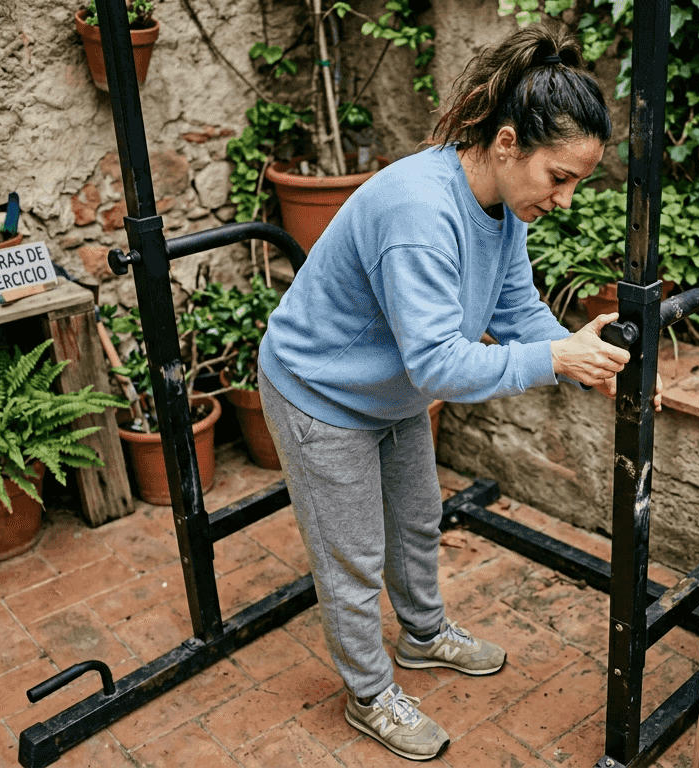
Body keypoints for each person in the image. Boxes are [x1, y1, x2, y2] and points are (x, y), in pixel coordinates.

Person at [257, 21, 663, 762]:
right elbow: (441, 367)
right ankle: (369, 693)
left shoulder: (503, 207)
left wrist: (588, 356)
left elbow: (515, 313)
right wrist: (556, 361)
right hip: (318, 391)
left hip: (388, 393)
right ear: (507, 142)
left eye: (578, 181)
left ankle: (421, 638)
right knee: (351, 556)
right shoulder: (420, 211)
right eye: (560, 177)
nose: (567, 198)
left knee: (415, 522)